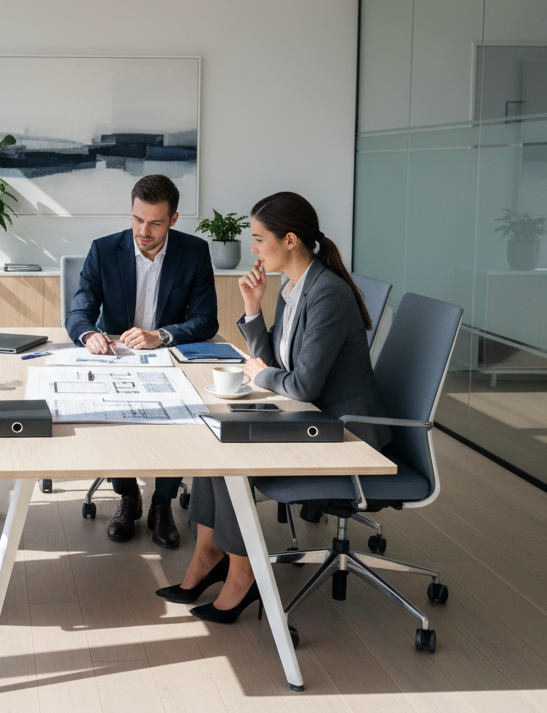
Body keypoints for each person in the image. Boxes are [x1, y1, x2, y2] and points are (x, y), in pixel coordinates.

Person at [156, 191, 392, 621]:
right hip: (312, 417)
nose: (253, 248)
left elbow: (299, 384)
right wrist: (252, 309)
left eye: (259, 238)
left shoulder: (327, 295)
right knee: (213, 441)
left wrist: (257, 374)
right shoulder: (294, 287)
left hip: (347, 433)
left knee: (231, 459)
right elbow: (279, 364)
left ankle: (243, 578)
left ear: (289, 240)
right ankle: (208, 556)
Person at [65, 174, 218, 548]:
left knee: (182, 415)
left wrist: (162, 335)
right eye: (137, 219)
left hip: (168, 357)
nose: (143, 230)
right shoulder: (104, 250)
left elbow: (206, 319)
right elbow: (78, 312)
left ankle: (162, 503)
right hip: (117, 357)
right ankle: (127, 496)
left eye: (155, 222)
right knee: (111, 417)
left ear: (174, 219)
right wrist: (90, 335)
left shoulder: (194, 252)